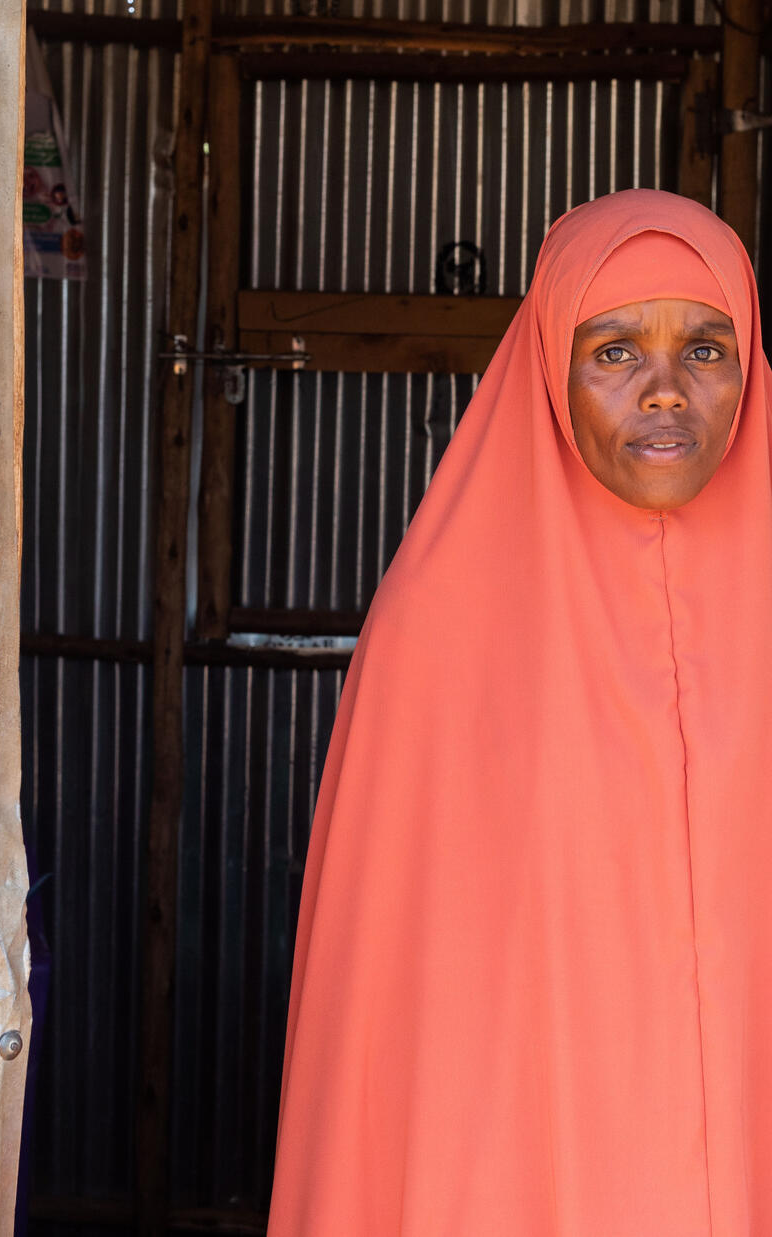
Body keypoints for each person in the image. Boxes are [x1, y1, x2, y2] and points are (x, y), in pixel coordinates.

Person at [266, 189, 772, 1235]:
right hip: (514, 1168)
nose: (667, 391)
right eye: (616, 350)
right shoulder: (434, 634)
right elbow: (389, 1008)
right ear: (547, 367)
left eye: (707, 351)